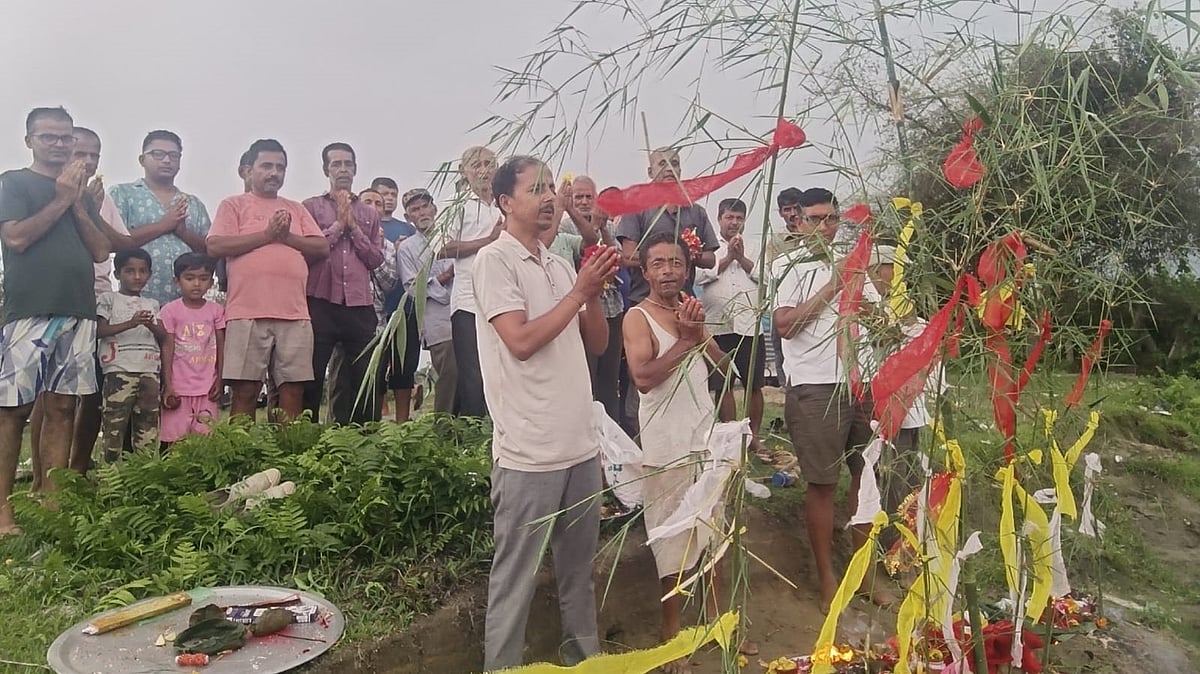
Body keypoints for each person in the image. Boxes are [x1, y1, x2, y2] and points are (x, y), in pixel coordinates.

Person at [474, 156, 617, 670]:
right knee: (515, 580)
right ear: (505, 202)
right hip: (529, 452)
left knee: (579, 575)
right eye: (537, 188)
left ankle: (586, 662)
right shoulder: (495, 261)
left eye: (553, 186)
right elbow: (520, 341)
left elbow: (597, 344)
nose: (550, 196)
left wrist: (592, 295)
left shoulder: (559, 264)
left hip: (579, 446)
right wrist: (580, 291)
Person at [772, 187, 890, 612]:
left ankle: (864, 572)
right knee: (823, 483)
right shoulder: (787, 265)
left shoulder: (856, 265)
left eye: (832, 218)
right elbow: (785, 325)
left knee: (866, 478)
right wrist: (835, 284)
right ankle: (826, 576)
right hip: (814, 387)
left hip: (860, 383)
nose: (825, 226)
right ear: (799, 222)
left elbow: (881, 320)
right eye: (816, 218)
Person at [624, 233, 731, 674]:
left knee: (714, 537)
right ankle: (673, 639)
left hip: (703, 440)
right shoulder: (636, 317)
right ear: (645, 272)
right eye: (659, 263)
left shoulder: (690, 313)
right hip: (666, 446)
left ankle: (718, 625)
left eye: (675, 262)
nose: (668, 270)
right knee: (672, 544)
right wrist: (686, 341)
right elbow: (643, 378)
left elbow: (724, 370)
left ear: (687, 269)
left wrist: (698, 333)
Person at [0, 107, 110, 535]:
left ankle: (52, 503)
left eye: (65, 138)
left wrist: (77, 203)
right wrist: (63, 198)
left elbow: (101, 251)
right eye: (49, 137)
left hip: (78, 311)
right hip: (29, 310)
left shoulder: (79, 191)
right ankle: (4, 513)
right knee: (12, 411)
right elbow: (17, 237)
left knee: (64, 406)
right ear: (30, 140)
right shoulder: (14, 182)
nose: (59, 145)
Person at [28, 126, 135, 484]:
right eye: (81, 154)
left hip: (97, 296)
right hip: (52, 299)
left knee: (88, 390)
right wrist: (69, 198)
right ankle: (42, 480)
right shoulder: (41, 187)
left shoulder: (98, 197)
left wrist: (87, 203)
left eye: (95, 156)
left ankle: (76, 471)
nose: (88, 162)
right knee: (49, 394)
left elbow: (116, 242)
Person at [207, 138, 328, 422]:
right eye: (267, 166)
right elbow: (215, 246)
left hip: (294, 313)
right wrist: (267, 235)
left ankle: (285, 453)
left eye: (280, 167)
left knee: (292, 389)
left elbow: (321, 248)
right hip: (247, 312)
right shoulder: (233, 205)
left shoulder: (295, 208)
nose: (274, 173)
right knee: (246, 389)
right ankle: (242, 454)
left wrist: (287, 237)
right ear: (247, 170)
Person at [301, 143, 385, 424]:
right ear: (326, 169)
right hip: (320, 300)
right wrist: (339, 225)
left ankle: (364, 439)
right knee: (311, 374)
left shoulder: (370, 214)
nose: (343, 169)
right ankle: (307, 438)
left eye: (348, 164)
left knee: (364, 377)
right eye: (336, 164)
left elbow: (375, 258)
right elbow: (309, 250)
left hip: (359, 303)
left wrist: (355, 228)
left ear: (356, 169)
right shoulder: (310, 207)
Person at [108, 130, 212, 307]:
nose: (166, 160)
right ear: (142, 160)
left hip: (186, 306)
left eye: (173, 155)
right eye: (158, 154)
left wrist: (183, 232)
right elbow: (112, 241)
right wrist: (162, 225)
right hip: (136, 303)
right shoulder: (122, 194)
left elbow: (209, 251)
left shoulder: (193, 203)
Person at [696, 198, 766, 455]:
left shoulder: (757, 246)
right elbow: (700, 275)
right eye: (729, 217)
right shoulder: (709, 249)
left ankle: (753, 438)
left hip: (750, 326)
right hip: (718, 326)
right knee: (722, 384)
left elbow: (766, 276)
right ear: (719, 219)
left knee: (754, 384)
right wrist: (727, 258)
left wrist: (743, 257)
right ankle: (730, 439)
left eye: (739, 218)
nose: (734, 222)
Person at [441, 146, 502, 418]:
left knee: (501, 372)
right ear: (463, 172)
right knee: (473, 377)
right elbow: (441, 247)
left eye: (489, 163)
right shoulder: (457, 207)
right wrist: (487, 241)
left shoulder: (505, 204)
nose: (484, 170)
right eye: (476, 165)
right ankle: (470, 443)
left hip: (503, 300)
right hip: (468, 301)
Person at [557, 176, 625, 423]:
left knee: (611, 377)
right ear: (570, 200)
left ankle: (615, 436)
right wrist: (593, 228)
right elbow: (584, 253)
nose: (584, 202)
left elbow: (617, 259)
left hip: (612, 307)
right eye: (579, 197)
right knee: (588, 376)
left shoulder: (611, 225)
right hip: (584, 312)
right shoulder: (564, 227)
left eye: (589, 197)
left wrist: (604, 226)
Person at [616, 147, 719, 305]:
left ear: (680, 171)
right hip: (645, 300)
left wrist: (692, 255)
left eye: (675, 163)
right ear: (650, 172)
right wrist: (663, 261)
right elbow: (628, 257)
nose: (670, 168)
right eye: (663, 163)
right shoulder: (636, 208)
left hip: (684, 300)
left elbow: (711, 260)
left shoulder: (695, 211)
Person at [97, 249, 164, 461]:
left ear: (150, 274)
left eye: (142, 271)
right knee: (114, 427)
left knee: (147, 428)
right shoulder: (109, 299)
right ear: (117, 274)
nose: (137, 277)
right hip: (119, 371)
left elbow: (164, 336)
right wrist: (131, 323)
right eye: (129, 271)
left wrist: (150, 325)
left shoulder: (152, 303)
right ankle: (110, 480)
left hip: (149, 371)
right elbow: (99, 330)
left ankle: (144, 476)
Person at [397, 188, 457, 415]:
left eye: (424, 206)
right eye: (415, 209)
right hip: (437, 320)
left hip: (465, 310)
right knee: (449, 373)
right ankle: (444, 427)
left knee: (473, 370)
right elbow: (412, 288)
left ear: (434, 207)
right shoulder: (407, 248)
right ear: (408, 217)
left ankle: (473, 426)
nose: (421, 212)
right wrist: (446, 276)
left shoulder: (452, 235)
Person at [159, 253, 225, 445]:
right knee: (174, 441)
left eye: (203, 279)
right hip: (178, 388)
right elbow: (167, 348)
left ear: (211, 282)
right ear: (177, 281)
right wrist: (168, 385)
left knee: (205, 440)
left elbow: (221, 346)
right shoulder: (170, 311)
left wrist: (220, 380)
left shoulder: (216, 311)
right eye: (189, 278)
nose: (197, 284)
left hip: (207, 388)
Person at [367, 177, 416, 419]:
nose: (388, 199)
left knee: (403, 363)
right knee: (375, 364)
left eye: (392, 194)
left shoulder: (407, 229)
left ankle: (403, 421)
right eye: (383, 194)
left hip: (404, 306)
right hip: (376, 309)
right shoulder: (365, 228)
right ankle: (379, 414)